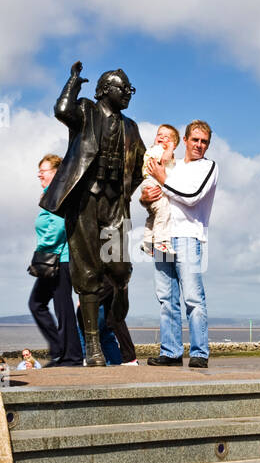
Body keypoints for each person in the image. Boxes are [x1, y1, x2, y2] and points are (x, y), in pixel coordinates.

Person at [40, 61, 145, 367]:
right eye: (121, 88)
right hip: (85, 201)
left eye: (129, 89)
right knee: (87, 274)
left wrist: (124, 188)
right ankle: (94, 348)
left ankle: (116, 306)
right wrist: (73, 82)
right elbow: (62, 110)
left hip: (114, 203)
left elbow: (139, 167)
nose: (127, 93)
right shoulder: (86, 111)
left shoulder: (130, 127)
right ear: (103, 90)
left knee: (120, 269)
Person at [144, 121, 218, 368]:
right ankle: (171, 351)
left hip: (187, 237)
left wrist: (161, 177)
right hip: (162, 235)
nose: (199, 145)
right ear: (184, 141)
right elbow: (157, 195)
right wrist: (145, 198)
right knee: (166, 297)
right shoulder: (172, 165)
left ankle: (199, 352)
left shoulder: (208, 167)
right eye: (195, 140)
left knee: (193, 298)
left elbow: (191, 197)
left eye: (204, 141)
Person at [30, 154, 83, 367]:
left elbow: (58, 226)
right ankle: (60, 351)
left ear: (56, 173)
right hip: (54, 258)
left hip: (60, 258)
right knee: (39, 304)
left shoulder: (58, 194)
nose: (39, 175)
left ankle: (70, 355)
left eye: (43, 171)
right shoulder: (49, 195)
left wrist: (42, 249)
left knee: (59, 306)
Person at [141, 125, 180, 256]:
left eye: (166, 137)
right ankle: (161, 242)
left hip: (152, 184)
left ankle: (147, 243)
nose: (162, 138)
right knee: (164, 211)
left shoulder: (163, 153)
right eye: (159, 135)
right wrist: (169, 148)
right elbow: (164, 159)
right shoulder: (157, 150)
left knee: (154, 215)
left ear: (175, 144)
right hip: (154, 184)